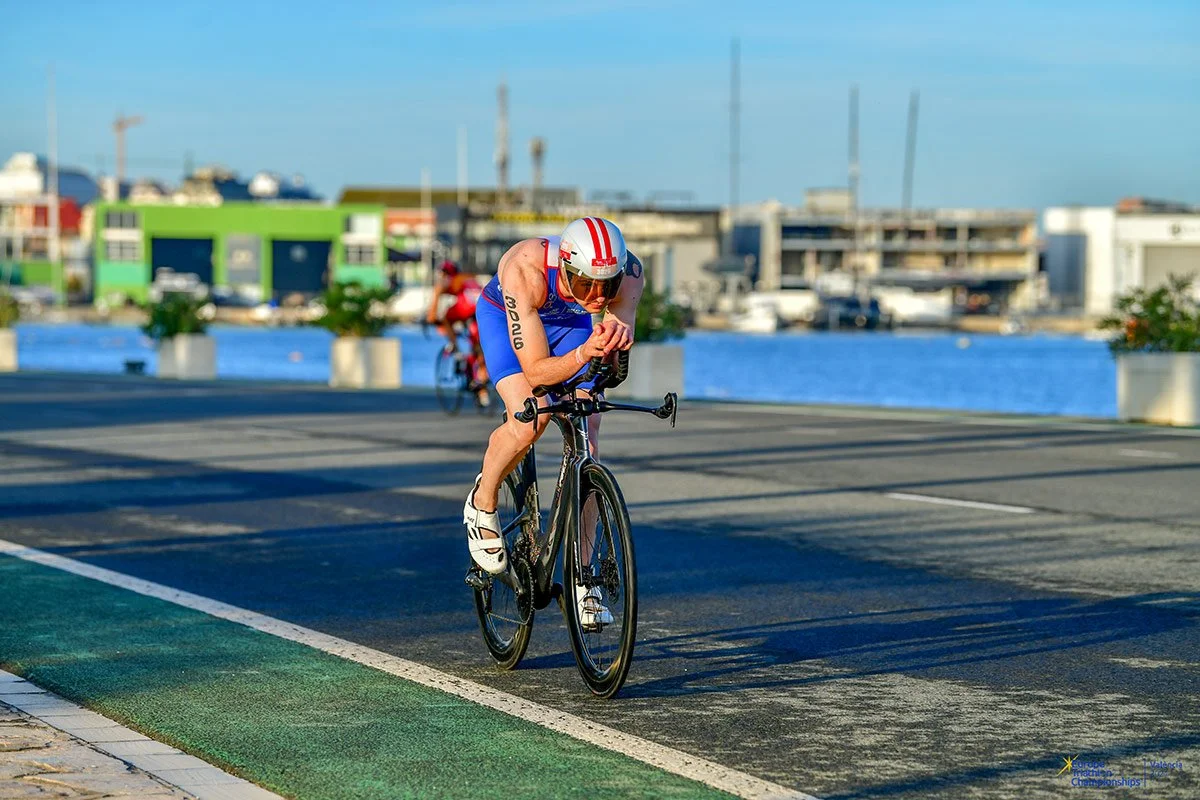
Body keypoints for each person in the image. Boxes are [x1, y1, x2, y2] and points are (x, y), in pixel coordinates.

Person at [464, 217, 645, 628]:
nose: (598, 298)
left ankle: (585, 578)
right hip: (511, 324)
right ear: (565, 267)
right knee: (529, 419)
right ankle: (482, 502)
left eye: (608, 286)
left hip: (568, 329)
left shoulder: (630, 273)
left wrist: (611, 354)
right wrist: (585, 354)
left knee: (589, 425)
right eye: (587, 286)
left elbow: (614, 374)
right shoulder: (525, 268)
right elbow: (538, 373)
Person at [426, 259, 489, 406]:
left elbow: (432, 316)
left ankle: (455, 346)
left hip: (467, 309)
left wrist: (433, 318)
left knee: (446, 317)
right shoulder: (468, 278)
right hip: (483, 310)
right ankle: (482, 390)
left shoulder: (450, 280)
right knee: (479, 350)